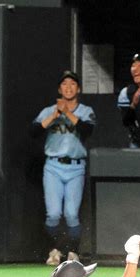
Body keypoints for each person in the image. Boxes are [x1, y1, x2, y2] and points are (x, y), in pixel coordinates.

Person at [31, 70, 96, 266]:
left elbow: (87, 130)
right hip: (53, 166)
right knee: (53, 214)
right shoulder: (50, 110)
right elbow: (33, 131)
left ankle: (73, 252)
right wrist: (55, 115)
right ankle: (54, 250)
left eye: (73, 84)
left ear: (79, 89)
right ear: (59, 89)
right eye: (65, 84)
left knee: (70, 214)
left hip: (75, 167)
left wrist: (67, 112)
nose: (68, 87)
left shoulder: (85, 110)